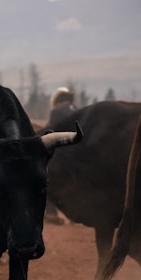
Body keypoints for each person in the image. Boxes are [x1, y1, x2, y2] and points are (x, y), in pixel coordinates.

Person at [44, 86, 77, 225]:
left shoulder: (56, 111)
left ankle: (51, 214)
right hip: (78, 155)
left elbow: (50, 130)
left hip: (62, 154)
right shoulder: (76, 109)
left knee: (43, 177)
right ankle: (75, 216)